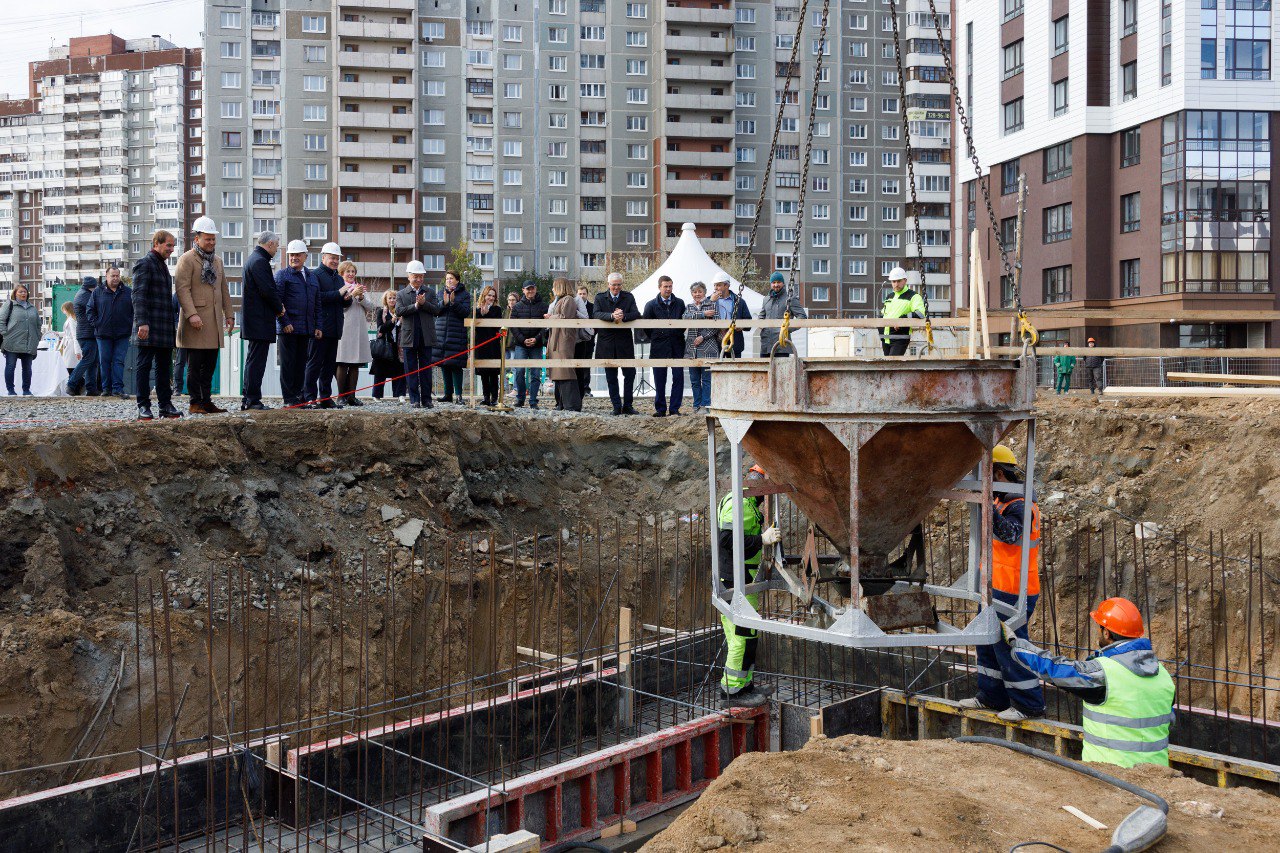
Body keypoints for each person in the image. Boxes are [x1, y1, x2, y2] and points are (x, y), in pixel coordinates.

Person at [1005, 597, 1175, 768]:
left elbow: (1055, 669)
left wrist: (1016, 645)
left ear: (1106, 633)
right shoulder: (1163, 675)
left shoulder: (1105, 673)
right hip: (1156, 776)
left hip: (1111, 776)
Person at [957, 444, 1045, 722]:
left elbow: (1009, 534)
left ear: (996, 472)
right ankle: (991, 696)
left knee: (1011, 647)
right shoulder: (1002, 501)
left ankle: (1029, 704)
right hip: (995, 588)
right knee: (986, 643)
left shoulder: (1021, 506)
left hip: (1015, 591)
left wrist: (985, 501)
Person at [717, 464, 781, 709]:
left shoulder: (749, 502)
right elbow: (726, 538)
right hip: (734, 580)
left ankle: (746, 686)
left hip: (745, 578)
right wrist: (761, 539)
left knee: (750, 633)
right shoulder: (739, 501)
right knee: (740, 637)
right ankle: (731, 693)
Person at [175, 217, 234, 415]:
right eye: (207, 239)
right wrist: (191, 314)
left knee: (209, 366)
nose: (211, 243)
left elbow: (224, 289)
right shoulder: (187, 259)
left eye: (213, 239)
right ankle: (194, 402)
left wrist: (230, 314)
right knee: (195, 366)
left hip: (214, 321)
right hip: (196, 321)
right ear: (197, 238)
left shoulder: (217, 261)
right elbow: (182, 289)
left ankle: (206, 401)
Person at [132, 230, 183, 420]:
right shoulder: (144, 263)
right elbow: (138, 295)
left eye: (172, 245)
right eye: (168, 245)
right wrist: (142, 322)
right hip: (148, 326)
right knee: (144, 366)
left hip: (163, 327)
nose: (171, 249)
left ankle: (165, 405)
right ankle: (143, 406)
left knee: (164, 367)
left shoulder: (161, 265)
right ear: (156, 244)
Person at [240, 231, 285, 411]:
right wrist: (279, 308)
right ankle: (252, 399)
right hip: (259, 320)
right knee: (256, 361)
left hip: (255, 320)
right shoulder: (260, 262)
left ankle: (249, 398)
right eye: (277, 245)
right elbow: (267, 290)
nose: (277, 249)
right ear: (270, 244)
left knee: (253, 359)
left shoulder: (254, 259)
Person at [305, 242, 351, 409]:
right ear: (323, 257)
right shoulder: (315, 275)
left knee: (329, 365)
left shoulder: (338, 278)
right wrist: (338, 294)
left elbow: (342, 302)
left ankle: (325, 397)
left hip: (335, 327)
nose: (334, 261)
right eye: (332, 258)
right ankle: (309, 397)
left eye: (337, 258)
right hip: (320, 327)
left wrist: (347, 299)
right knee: (314, 363)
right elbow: (316, 298)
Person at [274, 239, 321, 408]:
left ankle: (299, 397)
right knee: (288, 365)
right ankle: (289, 399)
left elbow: (317, 303)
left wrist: (318, 326)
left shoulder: (312, 277)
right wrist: (284, 322)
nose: (294, 258)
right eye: (291, 255)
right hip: (288, 329)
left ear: (305, 256)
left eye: (297, 255)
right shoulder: (282, 275)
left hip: (306, 329)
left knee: (301, 365)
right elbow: (277, 302)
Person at [593, 272, 641, 415]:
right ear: (608, 285)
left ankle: (628, 405)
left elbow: (636, 314)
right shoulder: (600, 297)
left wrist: (623, 316)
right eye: (614, 284)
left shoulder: (629, 297)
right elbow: (596, 314)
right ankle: (616, 406)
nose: (616, 287)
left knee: (630, 374)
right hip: (606, 343)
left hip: (624, 343)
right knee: (611, 377)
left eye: (619, 284)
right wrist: (611, 316)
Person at [395, 259, 440, 409]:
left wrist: (423, 304)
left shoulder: (430, 292)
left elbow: (436, 310)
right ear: (409, 276)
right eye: (415, 276)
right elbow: (399, 311)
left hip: (426, 336)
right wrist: (415, 306)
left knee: (426, 369)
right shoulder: (401, 294)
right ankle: (414, 399)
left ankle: (427, 399)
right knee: (411, 369)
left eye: (421, 276)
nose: (418, 279)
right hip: (409, 336)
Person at [334, 261, 378, 407]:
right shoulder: (339, 287)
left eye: (353, 271)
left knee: (355, 363)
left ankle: (352, 396)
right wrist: (352, 294)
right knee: (343, 361)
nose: (351, 274)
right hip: (344, 327)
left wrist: (360, 297)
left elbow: (371, 306)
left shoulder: (361, 288)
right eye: (348, 271)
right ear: (342, 274)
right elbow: (340, 307)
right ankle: (341, 396)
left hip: (358, 328)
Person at [642, 275, 686, 417]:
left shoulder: (679, 303)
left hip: (677, 345)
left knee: (678, 377)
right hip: (658, 347)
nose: (668, 289)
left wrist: (674, 333)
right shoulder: (650, 305)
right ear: (659, 287)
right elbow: (646, 327)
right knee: (659, 379)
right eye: (665, 286)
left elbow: (683, 324)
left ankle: (674, 408)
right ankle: (660, 409)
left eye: (670, 286)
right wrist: (659, 336)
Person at [87, 266, 134, 398]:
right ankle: (106, 389)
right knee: (105, 361)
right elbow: (90, 310)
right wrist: (97, 324)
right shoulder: (97, 292)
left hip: (123, 334)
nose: (115, 278)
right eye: (112, 276)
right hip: (103, 334)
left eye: (117, 276)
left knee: (119, 361)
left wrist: (130, 324)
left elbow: (134, 310)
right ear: (106, 276)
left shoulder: (128, 292)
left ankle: (117, 388)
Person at [434, 270, 472, 404]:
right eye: (447, 279)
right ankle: (447, 394)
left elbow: (466, 312)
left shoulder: (464, 294)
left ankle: (459, 395)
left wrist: (454, 303)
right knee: (444, 364)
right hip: (441, 333)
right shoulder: (440, 292)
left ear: (457, 280)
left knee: (456, 365)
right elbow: (436, 310)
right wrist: (444, 303)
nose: (448, 281)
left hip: (457, 333)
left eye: (451, 278)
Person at [509, 280, 548, 409]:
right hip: (521, 344)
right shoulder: (517, 307)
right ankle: (520, 398)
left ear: (535, 289)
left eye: (532, 289)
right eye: (528, 289)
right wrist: (522, 339)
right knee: (519, 372)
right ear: (523, 290)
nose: (530, 291)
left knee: (536, 373)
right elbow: (513, 326)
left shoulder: (543, 306)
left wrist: (536, 339)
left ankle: (533, 400)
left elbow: (545, 326)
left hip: (536, 345)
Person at [545, 277, 582, 412]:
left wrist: (551, 318)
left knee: (565, 370)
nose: (553, 289)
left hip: (564, 340)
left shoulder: (569, 300)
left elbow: (566, 318)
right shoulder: (559, 301)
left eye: (555, 286)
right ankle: (560, 403)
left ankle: (571, 405)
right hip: (556, 338)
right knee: (558, 372)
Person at [0, 284, 41, 396]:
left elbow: (38, 324)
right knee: (10, 366)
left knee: (27, 368)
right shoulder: (9, 305)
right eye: (20, 292)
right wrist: (5, 334)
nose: (23, 294)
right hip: (12, 342)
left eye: (25, 292)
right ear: (15, 293)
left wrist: (38, 337)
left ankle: (26, 390)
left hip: (29, 342)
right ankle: (11, 390)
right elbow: (1, 321)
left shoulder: (32, 308)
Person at [684, 282, 718, 412]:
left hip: (708, 347)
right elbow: (685, 318)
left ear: (704, 292)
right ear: (692, 293)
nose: (697, 294)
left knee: (707, 379)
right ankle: (696, 405)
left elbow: (715, 327)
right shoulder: (689, 306)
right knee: (694, 380)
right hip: (692, 349)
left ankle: (706, 405)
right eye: (694, 292)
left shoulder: (712, 305)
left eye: (699, 291)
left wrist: (703, 336)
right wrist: (703, 314)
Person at [758, 272, 807, 357]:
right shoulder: (766, 299)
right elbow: (761, 317)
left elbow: (802, 317)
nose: (776, 285)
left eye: (778, 282)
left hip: (782, 345)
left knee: (782, 370)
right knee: (765, 370)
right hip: (766, 345)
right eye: (773, 282)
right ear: (771, 284)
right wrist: (762, 326)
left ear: (783, 283)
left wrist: (786, 329)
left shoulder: (790, 298)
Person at [66, 275, 101, 396]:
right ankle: (71, 384)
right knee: (88, 359)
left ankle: (91, 388)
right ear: (91, 287)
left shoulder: (83, 294)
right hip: (86, 334)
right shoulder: (85, 296)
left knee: (93, 361)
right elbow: (97, 308)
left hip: (89, 333)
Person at [881, 266, 925, 356]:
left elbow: (920, 314)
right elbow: (884, 314)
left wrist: (902, 319)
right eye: (894, 281)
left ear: (905, 280)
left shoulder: (913, 296)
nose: (896, 284)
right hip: (885, 338)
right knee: (887, 367)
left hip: (900, 337)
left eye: (899, 281)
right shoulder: (889, 296)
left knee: (892, 366)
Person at [371, 288, 403, 401]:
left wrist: (399, 321)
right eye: (390, 298)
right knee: (380, 371)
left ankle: (399, 395)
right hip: (384, 345)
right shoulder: (381, 312)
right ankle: (376, 395)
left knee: (399, 370)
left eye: (394, 298)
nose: (392, 300)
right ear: (386, 299)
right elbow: (381, 328)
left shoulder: (400, 311)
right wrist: (393, 321)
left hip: (397, 345)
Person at [474, 284, 503, 406]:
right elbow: (475, 325)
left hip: (493, 344)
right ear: (484, 296)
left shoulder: (497, 309)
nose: (491, 298)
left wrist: (487, 313)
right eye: (489, 295)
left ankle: (494, 398)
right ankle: (486, 397)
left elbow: (497, 325)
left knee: (493, 373)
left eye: (493, 296)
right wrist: (482, 314)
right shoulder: (476, 309)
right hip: (481, 344)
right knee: (484, 373)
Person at [712, 274, 750, 358]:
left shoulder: (739, 301)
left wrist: (742, 326)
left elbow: (748, 321)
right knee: (717, 370)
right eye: (714, 285)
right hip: (715, 343)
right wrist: (711, 302)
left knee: (734, 370)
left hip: (734, 342)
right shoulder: (709, 300)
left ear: (726, 285)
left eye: (718, 285)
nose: (715, 288)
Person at [574, 285, 596, 398]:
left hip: (589, 340)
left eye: (584, 294)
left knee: (587, 365)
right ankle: (577, 389)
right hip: (577, 341)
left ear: (587, 295)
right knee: (577, 365)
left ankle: (586, 388)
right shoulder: (574, 306)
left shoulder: (592, 307)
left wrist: (591, 334)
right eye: (580, 294)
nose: (582, 296)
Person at [56, 301, 81, 382]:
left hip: (71, 346)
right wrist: (58, 334)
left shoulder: (71, 320)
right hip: (69, 344)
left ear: (67, 309)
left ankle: (73, 386)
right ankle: (73, 386)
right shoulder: (71, 319)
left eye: (63, 310)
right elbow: (68, 333)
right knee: (70, 366)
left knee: (70, 367)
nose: (63, 312)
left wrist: (77, 351)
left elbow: (74, 335)